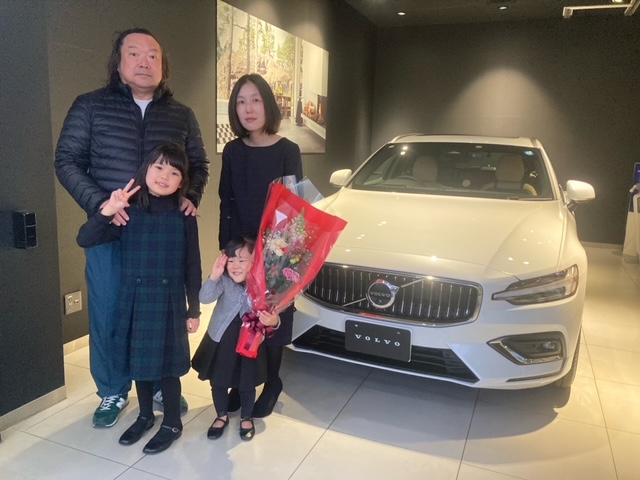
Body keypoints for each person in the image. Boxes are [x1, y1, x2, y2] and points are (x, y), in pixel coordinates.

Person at [55, 28, 209, 428]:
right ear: (118, 62)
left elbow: (198, 165)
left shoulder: (181, 114)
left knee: (157, 313)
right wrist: (101, 205)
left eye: (153, 55)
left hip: (160, 234)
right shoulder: (90, 106)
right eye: (135, 53)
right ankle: (112, 389)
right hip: (112, 229)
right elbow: (67, 160)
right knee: (108, 313)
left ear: (163, 65)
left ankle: (155, 382)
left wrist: (191, 195)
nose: (144, 62)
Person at [76, 142, 201, 454]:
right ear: (146, 169)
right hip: (134, 298)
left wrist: (194, 308)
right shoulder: (128, 211)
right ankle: (145, 415)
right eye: (158, 167)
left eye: (174, 172)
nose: (164, 176)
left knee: (168, 367)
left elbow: (193, 265)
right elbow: (85, 238)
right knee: (139, 362)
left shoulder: (184, 214)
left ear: (182, 182)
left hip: (169, 300)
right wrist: (107, 210)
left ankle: (172, 422)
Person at [219, 73, 303, 418]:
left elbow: (294, 206)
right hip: (241, 247)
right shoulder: (232, 151)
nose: (248, 108)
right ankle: (244, 382)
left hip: (276, 249)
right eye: (241, 102)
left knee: (271, 315)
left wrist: (280, 253)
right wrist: (228, 250)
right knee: (242, 316)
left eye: (255, 100)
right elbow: (226, 202)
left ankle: (272, 382)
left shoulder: (288, 150)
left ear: (268, 104)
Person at [191, 234, 280, 441]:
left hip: (249, 343)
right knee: (218, 380)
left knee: (246, 382)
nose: (235, 266)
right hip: (221, 340)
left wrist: (273, 321)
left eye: (241, 260)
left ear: (254, 262)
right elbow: (204, 298)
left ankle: (246, 417)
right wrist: (214, 276)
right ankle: (221, 415)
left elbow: (275, 317)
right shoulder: (223, 280)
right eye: (231, 260)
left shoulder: (263, 285)